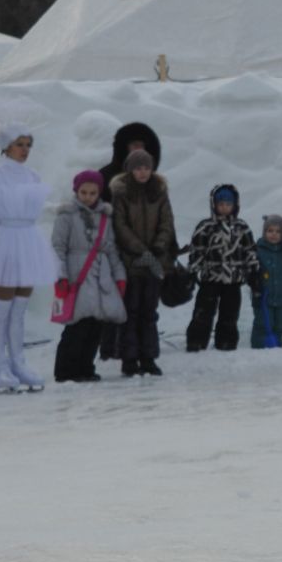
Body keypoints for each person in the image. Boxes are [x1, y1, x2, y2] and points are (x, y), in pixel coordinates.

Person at [0, 124, 59, 393]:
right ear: (6, 146)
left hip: (28, 241)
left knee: (19, 310)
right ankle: (0, 368)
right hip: (5, 241)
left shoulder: (33, 176)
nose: (25, 150)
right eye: (20, 144)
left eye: (28, 144)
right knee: (0, 309)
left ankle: (19, 363)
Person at [50, 169, 126, 382]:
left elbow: (111, 249)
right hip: (77, 276)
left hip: (100, 277)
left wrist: (119, 277)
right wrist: (61, 276)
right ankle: (65, 370)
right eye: (84, 192)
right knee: (76, 326)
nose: (88, 197)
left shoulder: (105, 217)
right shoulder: (66, 215)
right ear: (76, 191)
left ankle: (85, 367)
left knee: (95, 326)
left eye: (93, 193)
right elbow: (58, 248)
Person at [96, 121, 162, 362]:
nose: (137, 149)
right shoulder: (105, 176)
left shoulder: (154, 182)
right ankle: (109, 347)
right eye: (133, 144)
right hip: (113, 249)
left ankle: (142, 348)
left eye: (141, 145)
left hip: (146, 253)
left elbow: (163, 218)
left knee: (142, 304)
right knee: (114, 302)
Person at [109, 149, 177, 376]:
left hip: (155, 261)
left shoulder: (159, 192)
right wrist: (140, 249)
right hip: (131, 261)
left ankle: (148, 357)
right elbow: (120, 226)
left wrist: (158, 247)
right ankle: (129, 359)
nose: (143, 172)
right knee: (131, 311)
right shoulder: (121, 194)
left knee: (149, 312)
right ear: (130, 169)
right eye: (138, 168)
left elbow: (167, 222)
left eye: (146, 167)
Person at [185, 184, 259, 353]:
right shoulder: (205, 227)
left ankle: (227, 341)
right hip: (211, 277)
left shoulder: (242, 227)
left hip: (234, 279)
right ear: (214, 205)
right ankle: (196, 340)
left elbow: (250, 251)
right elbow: (198, 251)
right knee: (203, 311)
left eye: (228, 204)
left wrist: (254, 272)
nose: (224, 208)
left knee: (230, 313)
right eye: (221, 204)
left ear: (235, 205)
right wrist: (192, 271)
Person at [251, 215, 282, 349]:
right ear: (264, 232)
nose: (274, 234)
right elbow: (250, 270)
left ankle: (277, 349)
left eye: (278, 231)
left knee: (279, 325)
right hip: (263, 298)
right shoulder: (258, 251)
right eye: (270, 231)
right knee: (262, 324)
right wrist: (255, 284)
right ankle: (258, 348)